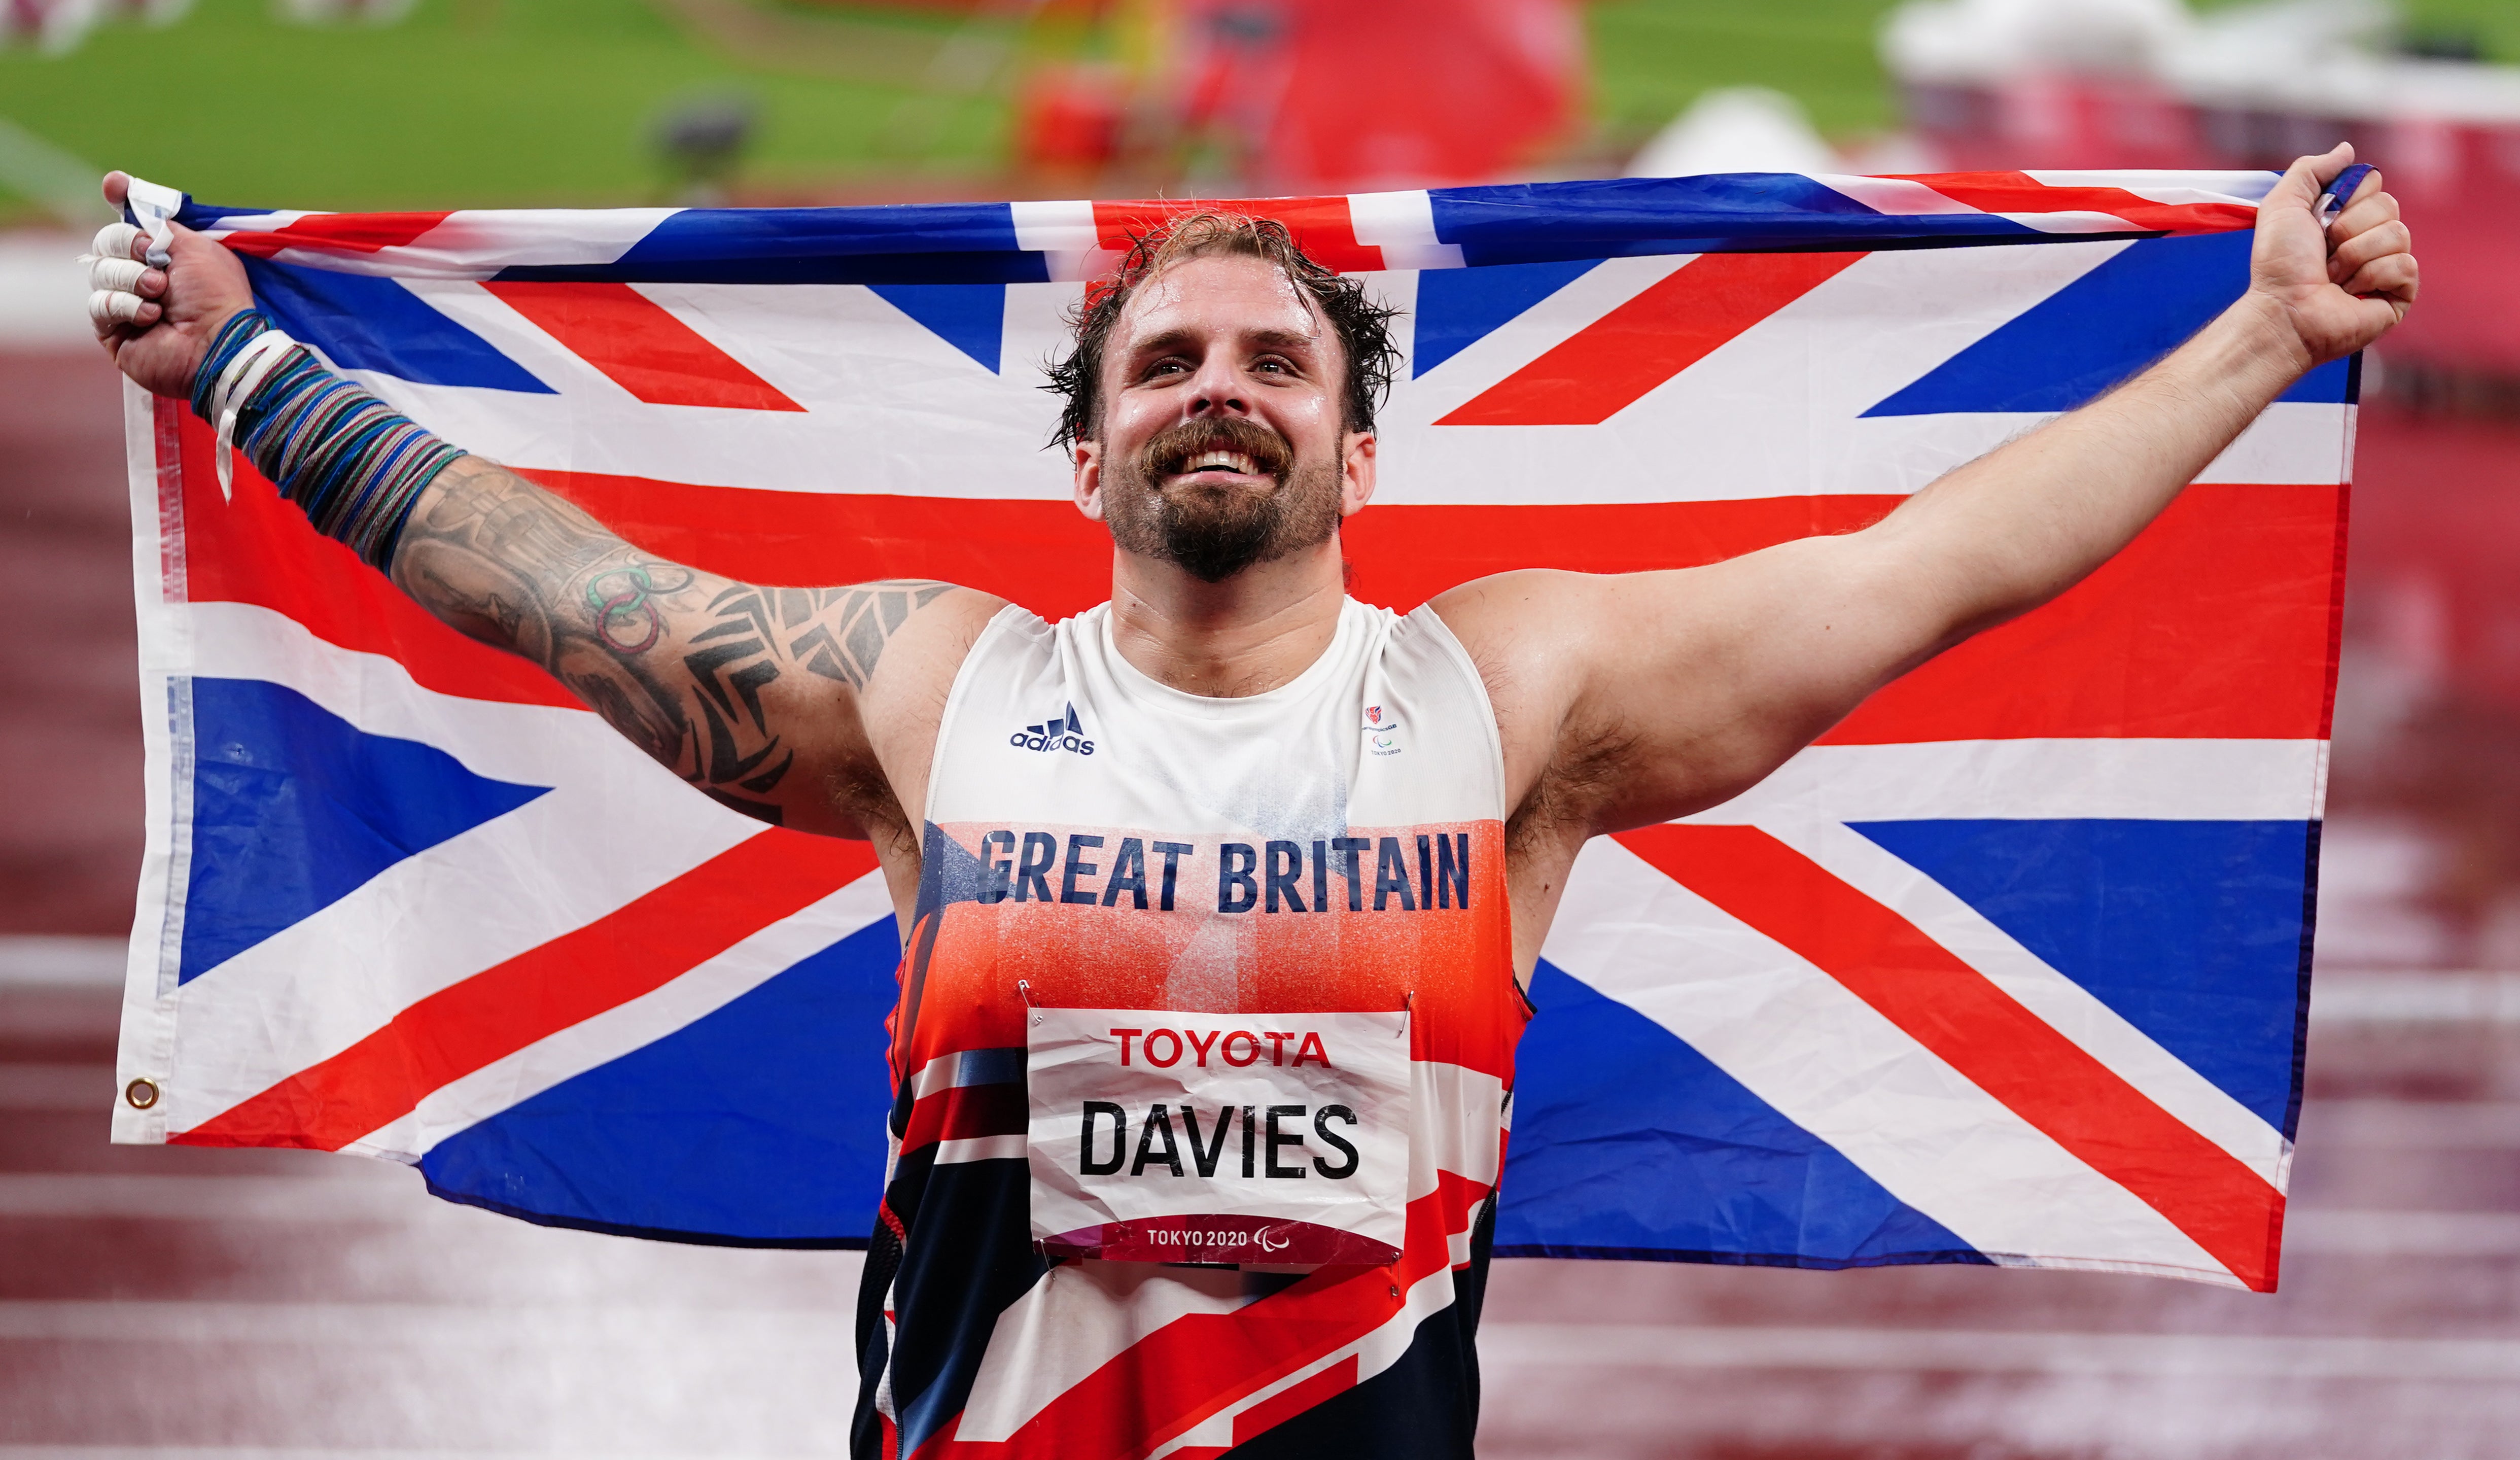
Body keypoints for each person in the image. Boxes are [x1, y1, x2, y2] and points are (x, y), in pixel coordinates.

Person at [89, 151, 2414, 1456]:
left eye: (1276, 359)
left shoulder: (1513, 698)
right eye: (1169, 359)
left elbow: (1920, 570)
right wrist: (248, 362)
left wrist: (2261, 337)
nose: (1225, 386)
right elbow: (569, 592)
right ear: (1089, 449)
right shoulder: (936, 687)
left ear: (1355, 447)